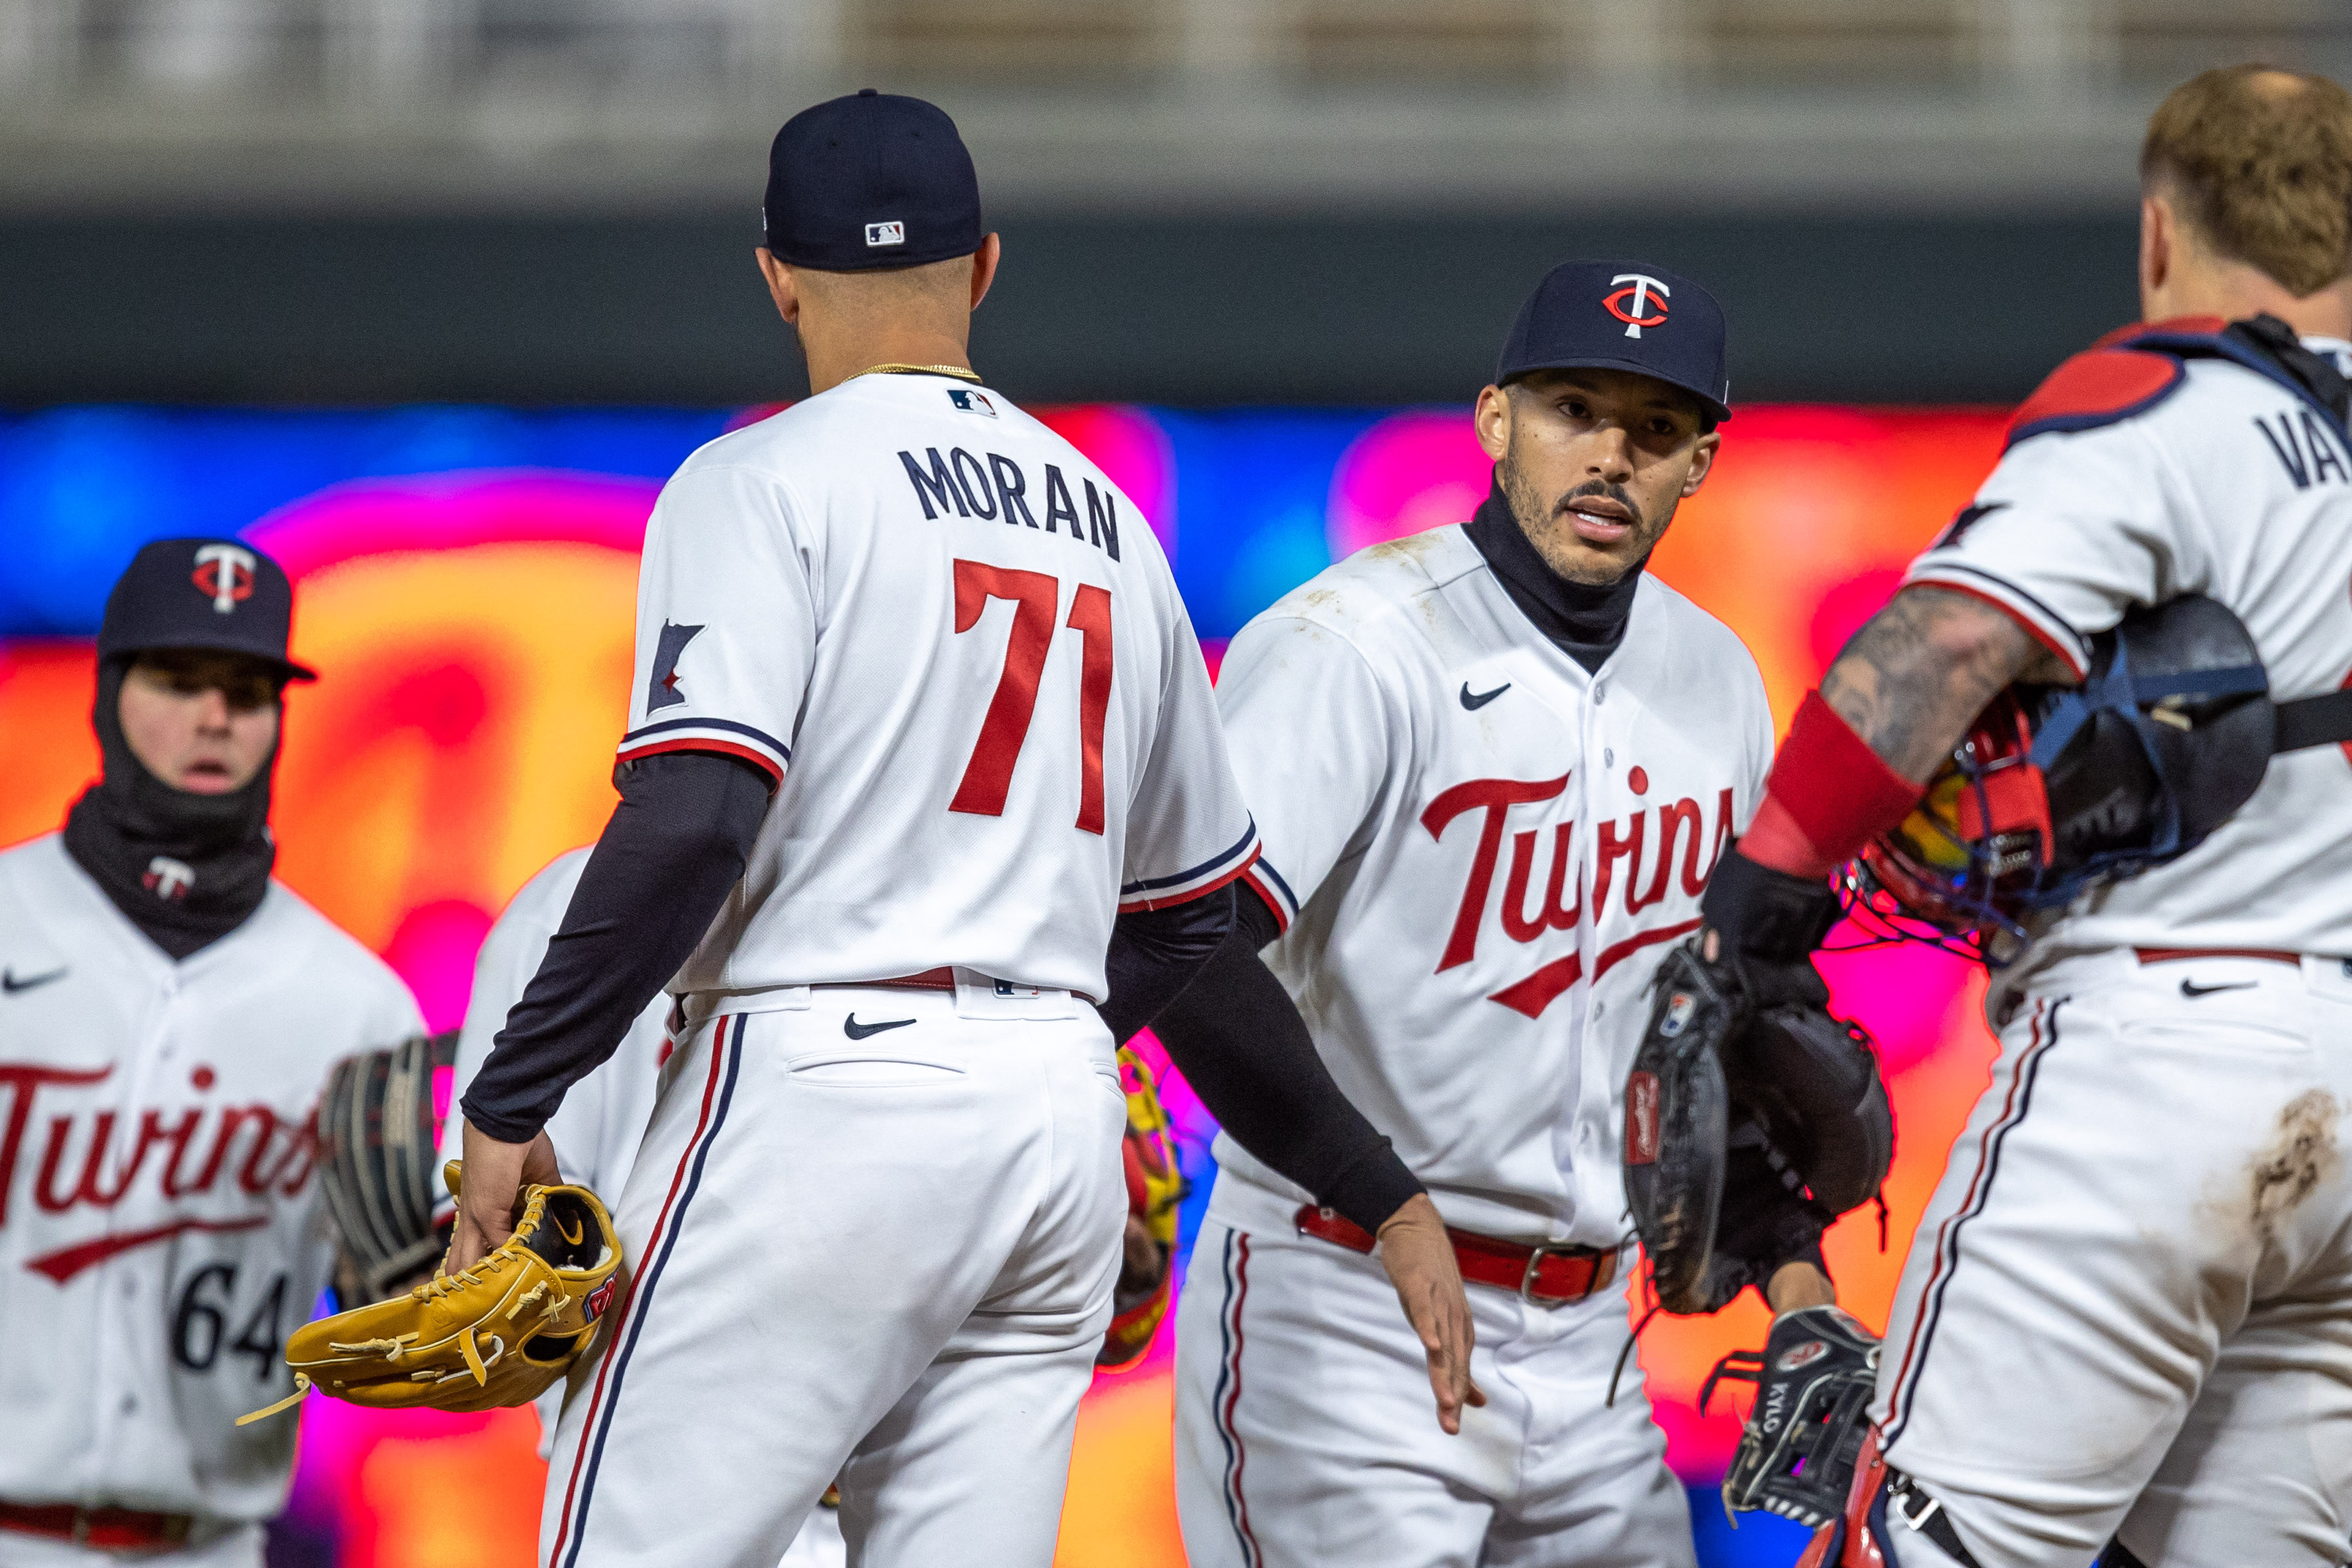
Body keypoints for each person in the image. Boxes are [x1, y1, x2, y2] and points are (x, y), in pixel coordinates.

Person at [442, 91, 1472, 1568]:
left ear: (775, 275)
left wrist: (507, 1098)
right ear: (982, 266)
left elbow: (693, 817)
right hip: (1051, 1129)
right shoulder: (1110, 521)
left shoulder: (762, 478)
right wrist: (1038, 1021)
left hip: (822, 1087)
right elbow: (1197, 908)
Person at [1702, 65, 2352, 1568]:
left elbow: (1937, 648)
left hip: (2162, 1060)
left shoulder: (2175, 394)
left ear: (2155, 236)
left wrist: (1754, 909)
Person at [1154, 260, 1839, 1568]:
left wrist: (1794, 1274)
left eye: (1649, 429)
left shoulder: (1713, 677)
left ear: (1698, 460)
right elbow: (1186, 951)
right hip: (1340, 1302)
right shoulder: (1353, 647)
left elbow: (1723, 1017)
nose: (1607, 456)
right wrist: (1382, 1194)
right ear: (1492, 422)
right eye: (1572, 408)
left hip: (1590, 1341)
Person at [0, 539, 423, 1567]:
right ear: (109, 693)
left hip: (209, 1545)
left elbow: (395, 1331)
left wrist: (456, 1284)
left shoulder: (360, 1005)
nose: (215, 718)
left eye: (246, 689)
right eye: (178, 681)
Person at [435, 848, 846, 1568]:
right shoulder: (573, 901)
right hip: (674, 1486)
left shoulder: (937, 886)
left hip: (894, 1493)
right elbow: (508, 1256)